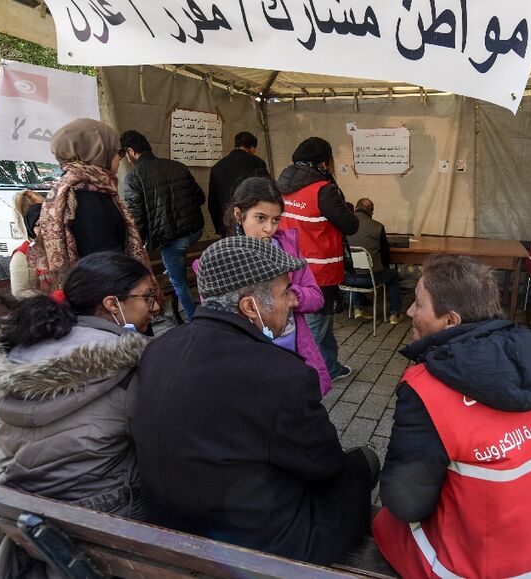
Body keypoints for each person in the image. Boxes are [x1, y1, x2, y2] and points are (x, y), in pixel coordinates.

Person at [132, 236, 378, 565]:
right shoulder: (282, 375)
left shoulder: (159, 348)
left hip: (168, 521)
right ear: (250, 307)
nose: (293, 301)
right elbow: (325, 465)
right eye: (285, 291)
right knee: (363, 462)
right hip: (256, 546)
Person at [373, 254, 531, 578]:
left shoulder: (427, 389)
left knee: (384, 522)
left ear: (451, 321)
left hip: (489, 571)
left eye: (418, 303)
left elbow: (406, 502)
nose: (409, 311)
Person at [0, 251, 160, 578]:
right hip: (111, 517)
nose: (156, 306)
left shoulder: (24, 349)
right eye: (147, 296)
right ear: (111, 304)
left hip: (25, 511)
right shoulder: (131, 367)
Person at [218, 176, 332, 395]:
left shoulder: (288, 249)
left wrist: (288, 295)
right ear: (238, 214)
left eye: (276, 219)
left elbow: (316, 297)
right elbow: (218, 319)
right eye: (260, 218)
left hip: (293, 348)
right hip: (248, 358)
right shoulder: (222, 259)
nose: (268, 228)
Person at [28, 118, 155, 292]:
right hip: (108, 299)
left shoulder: (82, 188)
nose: (119, 157)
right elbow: (105, 262)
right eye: (116, 151)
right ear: (98, 152)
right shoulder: (87, 197)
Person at [276, 137, 358, 382]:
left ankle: (331, 366)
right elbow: (350, 225)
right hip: (318, 271)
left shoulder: (280, 185)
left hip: (287, 267)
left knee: (318, 322)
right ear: (324, 162)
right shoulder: (323, 189)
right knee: (315, 327)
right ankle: (304, 375)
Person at [120, 130, 205, 322]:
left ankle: (194, 321)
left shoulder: (134, 178)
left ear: (131, 151)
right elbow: (200, 198)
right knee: (180, 264)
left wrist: (137, 245)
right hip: (194, 232)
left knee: (178, 282)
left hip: (171, 241)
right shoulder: (177, 166)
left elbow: (137, 218)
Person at [343, 198, 404, 324]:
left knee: (355, 270)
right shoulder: (378, 227)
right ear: (370, 211)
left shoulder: (345, 225)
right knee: (392, 275)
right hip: (370, 279)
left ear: (356, 208)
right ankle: (395, 313)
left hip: (346, 278)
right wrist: (383, 268)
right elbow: (385, 256)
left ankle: (358, 308)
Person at [208, 131, 269, 236]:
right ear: (252, 148)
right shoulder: (256, 162)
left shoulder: (218, 167)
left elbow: (213, 202)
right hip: (252, 223)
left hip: (227, 224)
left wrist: (219, 227)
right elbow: (266, 192)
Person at [9, 190, 45, 297]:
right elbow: (20, 292)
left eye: (48, 222)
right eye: (38, 224)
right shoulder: (21, 255)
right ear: (30, 228)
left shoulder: (61, 246)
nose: (44, 228)